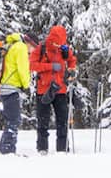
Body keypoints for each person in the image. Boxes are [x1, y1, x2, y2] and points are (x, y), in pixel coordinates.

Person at [30, 25, 77, 154]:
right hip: (43, 90)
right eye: (57, 42)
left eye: (61, 42)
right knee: (43, 121)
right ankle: (42, 149)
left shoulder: (64, 49)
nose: (59, 45)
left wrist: (71, 71)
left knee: (62, 121)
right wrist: (50, 66)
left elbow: (72, 60)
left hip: (60, 89)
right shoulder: (41, 48)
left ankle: (62, 149)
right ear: (51, 38)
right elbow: (32, 65)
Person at [0, 33, 38, 155]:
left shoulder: (14, 45)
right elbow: (23, 68)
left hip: (5, 86)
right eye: (33, 48)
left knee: (11, 119)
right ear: (29, 43)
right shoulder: (21, 47)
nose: (32, 51)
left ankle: (3, 147)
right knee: (14, 120)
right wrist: (26, 84)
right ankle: (8, 150)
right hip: (11, 87)